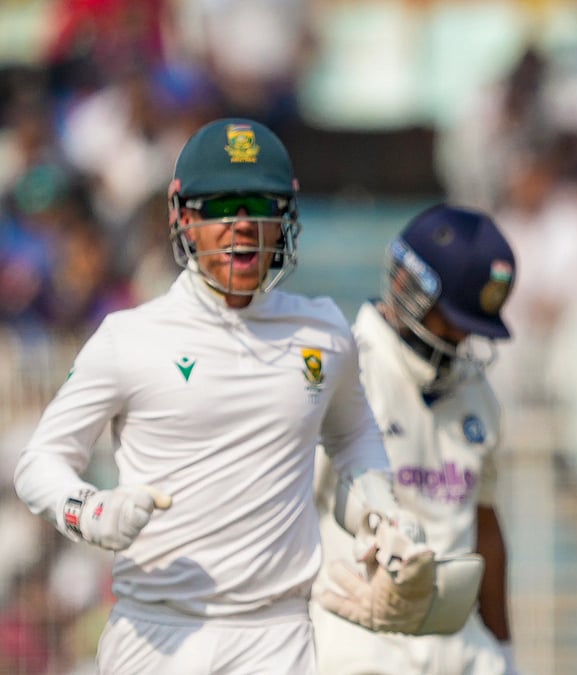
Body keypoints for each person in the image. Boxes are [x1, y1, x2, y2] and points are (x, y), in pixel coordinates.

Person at [12, 118, 431, 674]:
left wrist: (382, 508)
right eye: (221, 206)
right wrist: (90, 510)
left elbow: (354, 436)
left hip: (276, 635)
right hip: (159, 634)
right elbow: (39, 465)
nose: (243, 225)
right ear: (183, 216)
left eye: (261, 203)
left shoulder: (324, 332)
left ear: (286, 215)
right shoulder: (129, 339)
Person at [310, 203, 520, 674]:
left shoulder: (477, 395)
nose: (463, 339)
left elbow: (484, 526)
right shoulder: (343, 371)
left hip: (461, 644)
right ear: (411, 290)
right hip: (360, 638)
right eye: (455, 322)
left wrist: (503, 646)